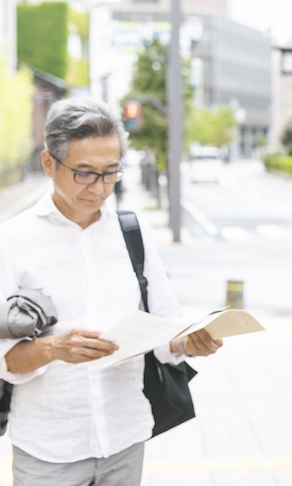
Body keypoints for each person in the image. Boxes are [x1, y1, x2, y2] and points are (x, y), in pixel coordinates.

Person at [0, 97, 222, 486]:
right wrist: (54, 349)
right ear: (49, 163)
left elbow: (165, 327)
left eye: (110, 172)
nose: (99, 188)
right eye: (84, 173)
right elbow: (5, 358)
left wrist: (188, 341)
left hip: (125, 436)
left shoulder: (132, 232)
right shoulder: (13, 240)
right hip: (49, 449)